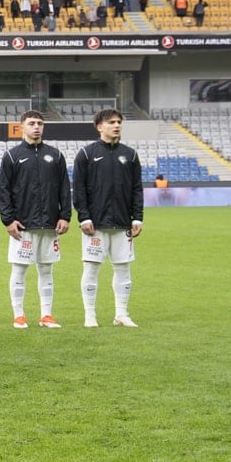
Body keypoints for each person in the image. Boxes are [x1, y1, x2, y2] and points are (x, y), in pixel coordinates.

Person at [0, 108, 72, 328]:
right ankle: (19, 314)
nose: (36, 127)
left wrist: (65, 216)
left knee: (46, 269)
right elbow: (4, 191)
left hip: (50, 224)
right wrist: (8, 220)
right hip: (23, 224)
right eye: (32, 123)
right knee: (20, 269)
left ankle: (46, 315)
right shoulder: (12, 156)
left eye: (40, 123)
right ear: (22, 126)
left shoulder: (55, 155)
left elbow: (64, 188)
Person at [72, 107, 144, 328]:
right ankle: (90, 314)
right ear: (99, 126)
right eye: (112, 122)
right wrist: (84, 217)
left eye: (119, 122)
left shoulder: (130, 155)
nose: (117, 125)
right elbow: (79, 188)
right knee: (91, 268)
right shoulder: (86, 154)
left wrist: (137, 217)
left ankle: (121, 314)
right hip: (96, 224)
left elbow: (136, 188)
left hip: (123, 223)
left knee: (123, 269)